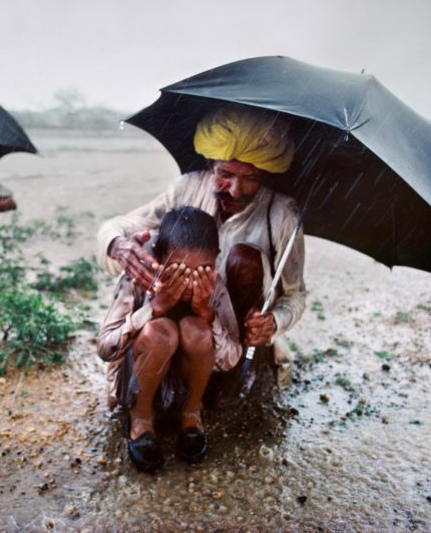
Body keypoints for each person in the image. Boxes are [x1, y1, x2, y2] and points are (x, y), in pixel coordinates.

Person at [97, 105, 307, 401]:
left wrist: (273, 322)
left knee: (244, 259)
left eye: (250, 177)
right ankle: (162, 370)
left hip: (231, 329)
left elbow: (295, 295)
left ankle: (228, 376)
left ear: (266, 173)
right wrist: (117, 245)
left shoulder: (282, 214)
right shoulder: (187, 189)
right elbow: (120, 225)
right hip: (176, 313)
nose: (235, 190)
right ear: (210, 162)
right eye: (225, 174)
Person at [97, 206, 242, 471]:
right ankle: (140, 418)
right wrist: (153, 309)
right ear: (159, 256)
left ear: (216, 259)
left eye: (202, 271)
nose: (189, 283)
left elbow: (231, 359)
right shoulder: (138, 278)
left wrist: (208, 316)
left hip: (185, 385)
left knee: (196, 329)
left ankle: (191, 413)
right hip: (136, 381)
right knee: (161, 332)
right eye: (177, 271)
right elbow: (106, 348)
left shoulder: (215, 287)